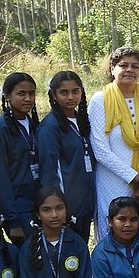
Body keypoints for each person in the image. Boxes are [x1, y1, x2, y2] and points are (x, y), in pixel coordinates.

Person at [89, 47, 139, 238]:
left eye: (135, 66)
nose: (130, 70)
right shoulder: (100, 100)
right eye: (123, 65)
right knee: (115, 234)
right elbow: (101, 151)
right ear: (112, 68)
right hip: (113, 182)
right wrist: (137, 179)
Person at [37, 70, 97, 241]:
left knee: (81, 248)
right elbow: (49, 172)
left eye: (75, 91)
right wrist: (58, 208)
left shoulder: (82, 120)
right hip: (67, 207)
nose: (71, 97)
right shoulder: (50, 127)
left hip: (85, 202)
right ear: (54, 95)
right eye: (64, 92)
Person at [0, 72, 41, 246]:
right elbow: (1, 177)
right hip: (18, 207)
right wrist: (13, 221)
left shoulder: (34, 124)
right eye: (21, 94)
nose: (28, 99)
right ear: (7, 96)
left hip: (39, 203)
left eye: (31, 93)